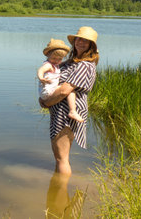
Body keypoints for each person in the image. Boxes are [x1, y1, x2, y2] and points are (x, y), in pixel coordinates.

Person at [40, 26, 99, 175]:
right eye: (79, 39)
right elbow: (52, 73)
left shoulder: (85, 65)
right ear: (75, 41)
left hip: (68, 114)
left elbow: (65, 90)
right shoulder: (70, 62)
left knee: (62, 158)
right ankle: (58, 194)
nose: (81, 42)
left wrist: (46, 103)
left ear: (91, 46)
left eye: (86, 41)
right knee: (59, 156)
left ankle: (61, 192)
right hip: (59, 112)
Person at [37, 39, 84, 123]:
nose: (56, 61)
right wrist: (41, 77)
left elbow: (63, 62)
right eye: (54, 58)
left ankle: (72, 111)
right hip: (48, 91)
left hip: (45, 92)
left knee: (67, 89)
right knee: (70, 90)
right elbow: (41, 70)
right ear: (48, 55)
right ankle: (72, 111)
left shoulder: (55, 64)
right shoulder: (48, 65)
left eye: (59, 59)